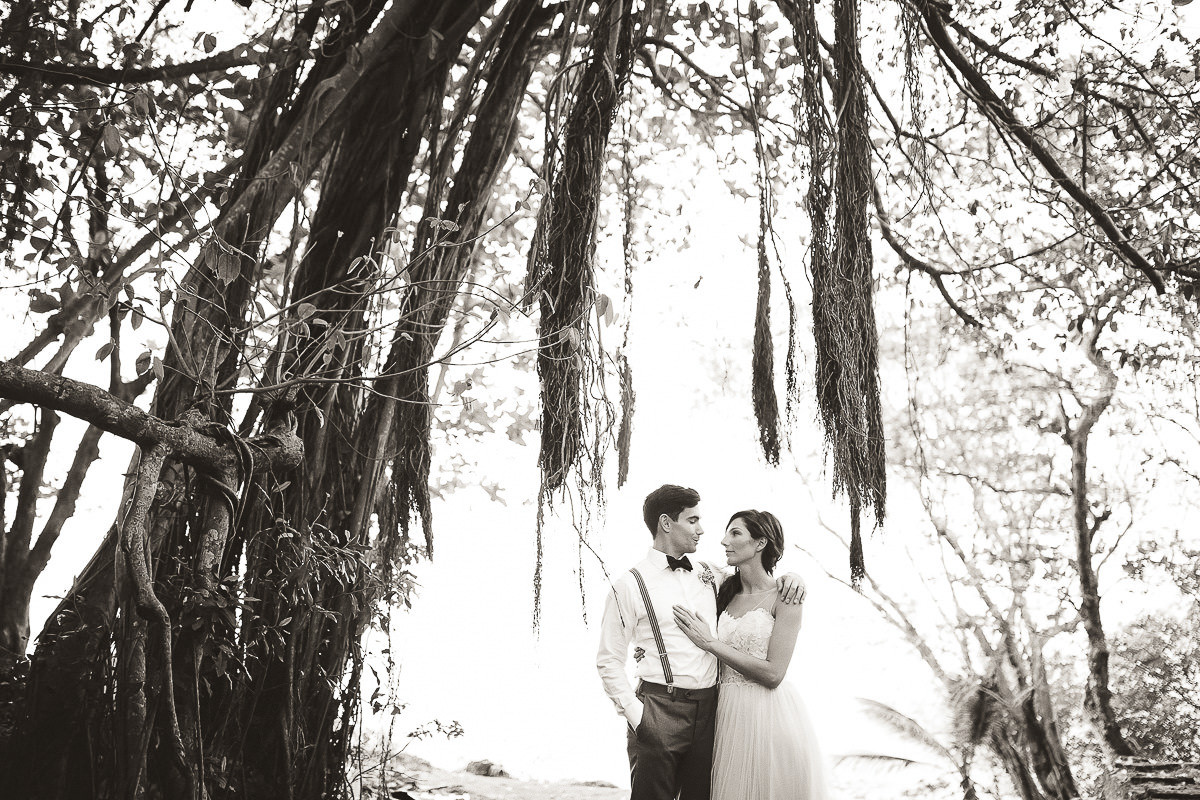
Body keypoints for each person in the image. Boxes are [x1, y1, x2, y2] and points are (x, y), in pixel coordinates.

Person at [597, 486, 806, 800]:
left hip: (712, 713)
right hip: (658, 707)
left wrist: (793, 577)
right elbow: (608, 660)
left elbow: (757, 585)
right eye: (693, 520)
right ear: (667, 523)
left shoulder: (712, 575)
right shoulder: (628, 586)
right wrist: (639, 718)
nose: (702, 530)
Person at [672, 509, 830, 800]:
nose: (723, 541)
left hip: (767, 717)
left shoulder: (785, 597)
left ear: (760, 543)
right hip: (721, 713)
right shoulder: (722, 588)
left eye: (735, 533)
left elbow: (773, 674)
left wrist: (711, 643)